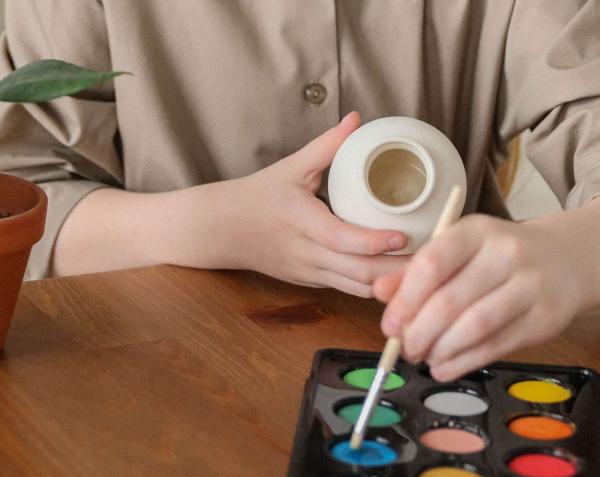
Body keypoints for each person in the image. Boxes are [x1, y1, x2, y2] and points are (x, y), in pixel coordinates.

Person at [1, 1, 599, 381]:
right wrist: (214, 226)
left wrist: (572, 253)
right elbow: (23, 197)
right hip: (159, 379)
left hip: (450, 368)